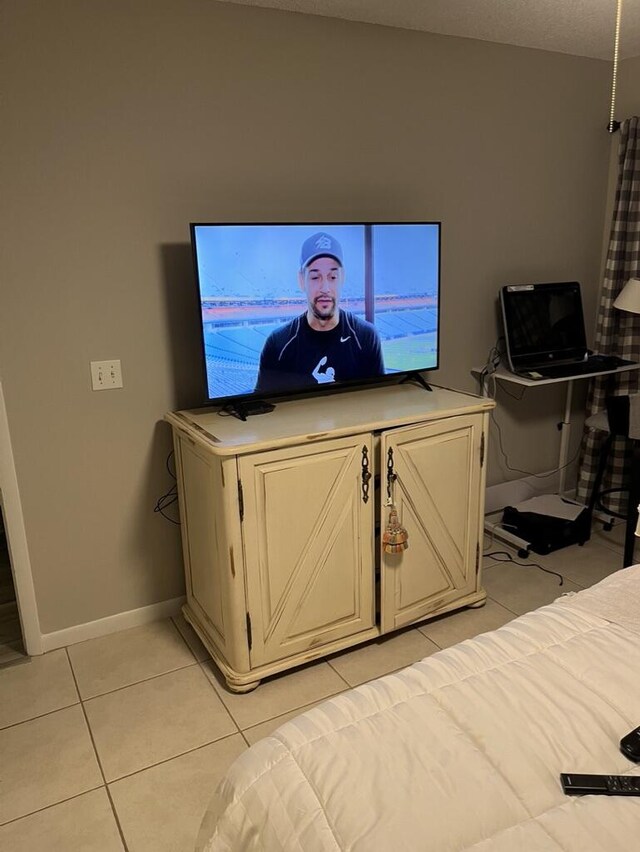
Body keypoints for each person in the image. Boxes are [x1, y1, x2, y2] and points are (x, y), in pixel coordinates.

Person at [255, 232, 385, 393]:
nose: (325, 288)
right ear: (302, 280)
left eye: (332, 277)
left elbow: (379, 396)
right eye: (315, 277)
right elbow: (261, 404)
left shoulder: (366, 336)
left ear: (342, 278)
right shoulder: (278, 343)